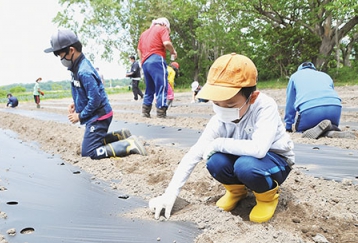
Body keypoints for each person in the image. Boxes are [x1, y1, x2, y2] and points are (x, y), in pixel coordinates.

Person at [149, 53, 295, 223]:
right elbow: (194, 153)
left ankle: (266, 197)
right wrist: (170, 193)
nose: (223, 110)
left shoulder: (264, 106)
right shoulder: (218, 119)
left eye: (231, 105)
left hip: (275, 161)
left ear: (252, 98)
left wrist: (219, 143)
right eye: (217, 104)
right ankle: (236, 191)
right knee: (215, 161)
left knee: (244, 165)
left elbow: (259, 149)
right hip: (246, 159)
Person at [44, 28, 147, 159]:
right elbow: (84, 92)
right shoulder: (75, 67)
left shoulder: (84, 71)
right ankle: (119, 136)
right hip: (95, 115)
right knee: (91, 144)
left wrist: (80, 116)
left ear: (71, 50)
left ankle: (129, 145)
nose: (61, 59)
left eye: (60, 55)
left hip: (99, 116)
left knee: (89, 152)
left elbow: (95, 99)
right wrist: (75, 103)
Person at [284, 62, 355, 139]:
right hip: (335, 109)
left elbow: (290, 103)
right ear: (314, 69)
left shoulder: (294, 76)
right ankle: (330, 130)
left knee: (302, 130)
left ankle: (314, 130)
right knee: (330, 124)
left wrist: (288, 126)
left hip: (310, 111)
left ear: (299, 69)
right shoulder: (325, 75)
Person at [137, 17, 177, 118]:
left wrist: (142, 62)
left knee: (149, 88)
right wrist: (173, 51)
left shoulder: (144, 33)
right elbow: (166, 43)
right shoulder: (162, 29)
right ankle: (161, 111)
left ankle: (145, 111)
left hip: (145, 62)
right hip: (157, 59)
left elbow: (139, 50)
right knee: (162, 85)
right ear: (165, 25)